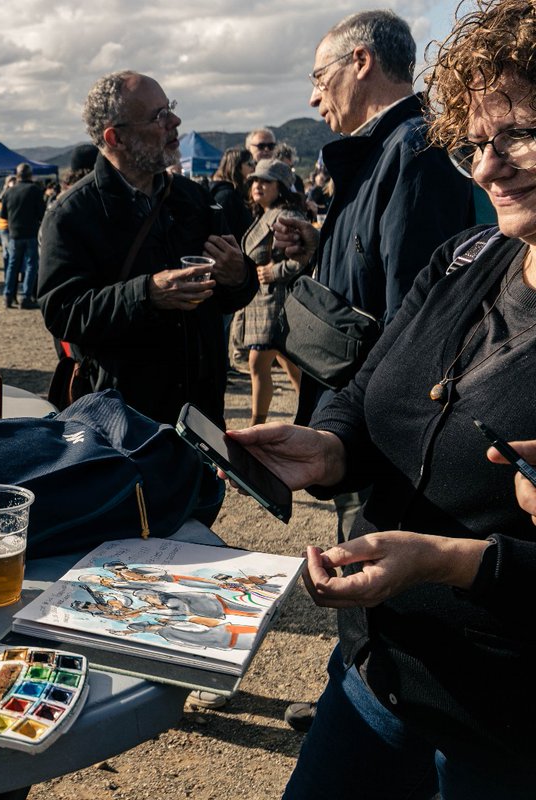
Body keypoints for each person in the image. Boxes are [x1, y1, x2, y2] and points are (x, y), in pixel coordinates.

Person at [238, 5, 536, 792]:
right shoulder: (467, 255)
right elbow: (372, 382)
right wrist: (331, 448)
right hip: (375, 678)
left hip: (505, 729)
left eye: (517, 136)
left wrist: (446, 562)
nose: (487, 168)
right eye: (475, 144)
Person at [272, 8, 477, 734]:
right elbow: (374, 273)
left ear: (362, 63)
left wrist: (359, 422)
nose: (312, 97)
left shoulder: (415, 148)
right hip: (358, 410)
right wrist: (313, 256)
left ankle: (366, 697)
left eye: (319, 76)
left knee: (375, 561)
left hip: (387, 418)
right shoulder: (385, 149)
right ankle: (349, 692)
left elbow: (416, 311)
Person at [38, 71, 255, 426]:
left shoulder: (195, 200)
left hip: (199, 416)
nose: (175, 121)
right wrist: (148, 293)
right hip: (121, 420)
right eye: (159, 116)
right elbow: (62, 312)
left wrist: (238, 275)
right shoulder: (72, 214)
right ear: (115, 137)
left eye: (170, 108)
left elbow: (230, 298)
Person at [239, 159, 306, 425]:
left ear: (280, 186)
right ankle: (313, 414)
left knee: (259, 362)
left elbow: (305, 256)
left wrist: (274, 271)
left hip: (278, 300)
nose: (257, 185)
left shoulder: (286, 216)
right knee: (289, 363)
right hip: (263, 301)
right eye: (255, 180)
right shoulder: (265, 214)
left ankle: (256, 425)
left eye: (265, 181)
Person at [0, 162, 45, 309]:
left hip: (14, 234)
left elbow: (3, 215)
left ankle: (8, 296)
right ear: (30, 175)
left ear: (17, 175)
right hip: (30, 233)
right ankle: (26, 297)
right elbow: (41, 213)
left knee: (13, 266)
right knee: (32, 265)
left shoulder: (9, 192)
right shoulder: (35, 190)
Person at [209, 147, 255, 238]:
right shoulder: (226, 196)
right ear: (236, 167)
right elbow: (222, 232)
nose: (254, 167)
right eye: (250, 164)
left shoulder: (237, 193)